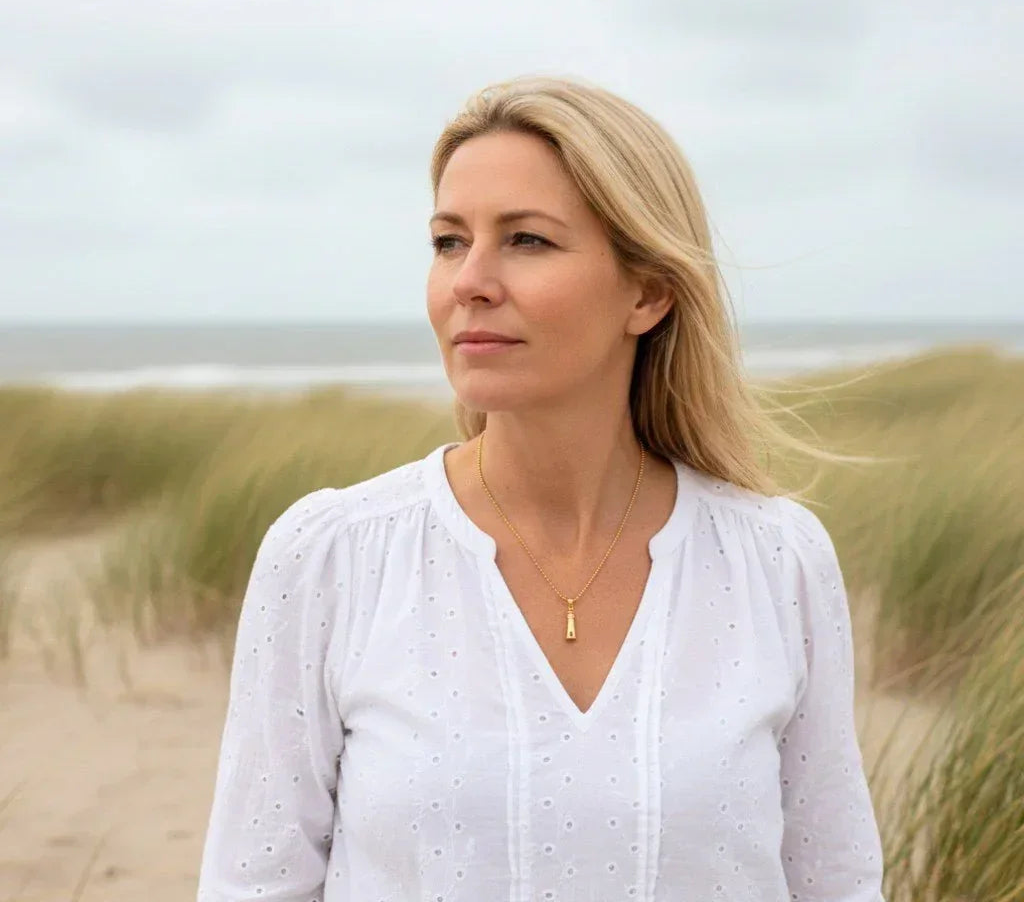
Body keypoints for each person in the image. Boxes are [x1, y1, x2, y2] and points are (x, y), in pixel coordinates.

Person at [196, 74, 886, 901]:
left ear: (649, 290)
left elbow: (835, 884)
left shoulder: (776, 560)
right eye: (449, 241)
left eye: (526, 240)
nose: (469, 282)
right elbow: (252, 886)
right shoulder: (333, 557)